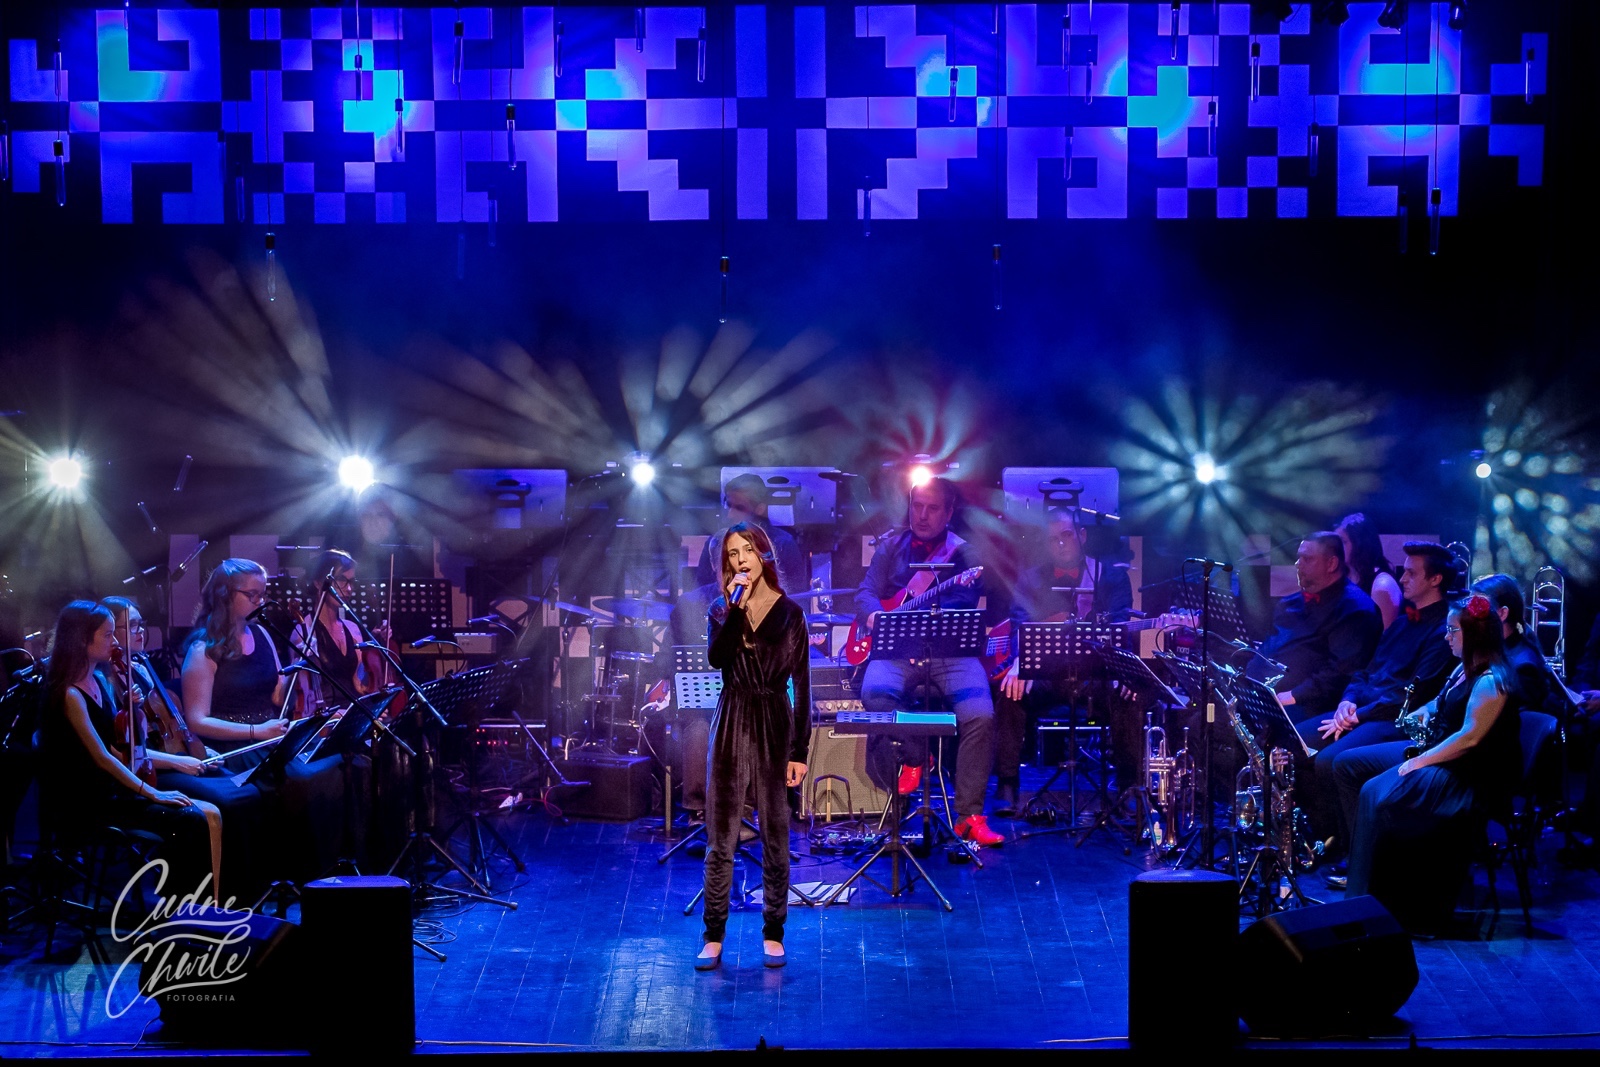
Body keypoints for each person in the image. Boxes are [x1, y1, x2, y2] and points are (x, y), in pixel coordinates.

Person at [1341, 594, 1524, 930]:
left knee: (1378, 794)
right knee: (1356, 774)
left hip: (1466, 776)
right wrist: (1422, 714)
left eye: (1453, 630)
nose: (1446, 636)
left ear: (1475, 635)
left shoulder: (1491, 680)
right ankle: (1365, 882)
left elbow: (1469, 739)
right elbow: (1440, 703)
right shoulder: (1462, 668)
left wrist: (1419, 761)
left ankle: (1373, 899)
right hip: (1444, 756)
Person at [39, 601, 222, 900]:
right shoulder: (70, 694)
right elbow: (102, 757)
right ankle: (181, 909)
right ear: (83, 640)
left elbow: (120, 745)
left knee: (192, 816)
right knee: (188, 820)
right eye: (107, 635)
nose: (115, 641)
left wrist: (132, 709)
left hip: (113, 792)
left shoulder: (97, 681)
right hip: (91, 803)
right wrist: (153, 793)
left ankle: (193, 904)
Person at [180, 559, 350, 881]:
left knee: (335, 765)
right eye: (252, 595)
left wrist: (299, 662)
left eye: (263, 593)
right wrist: (256, 731)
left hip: (269, 736)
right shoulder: (203, 649)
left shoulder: (262, 634)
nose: (260, 601)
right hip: (234, 746)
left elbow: (277, 698)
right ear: (225, 595)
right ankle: (299, 873)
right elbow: (197, 721)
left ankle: (326, 871)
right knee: (303, 779)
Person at [855, 478, 1003, 846]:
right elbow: (865, 593)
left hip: (950, 654)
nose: (921, 515)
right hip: (897, 652)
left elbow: (961, 605)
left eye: (932, 508)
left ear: (949, 512)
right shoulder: (890, 547)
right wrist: (874, 615)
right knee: (874, 694)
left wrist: (921, 623)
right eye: (916, 505)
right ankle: (917, 755)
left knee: (981, 715)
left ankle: (969, 816)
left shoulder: (965, 555)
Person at [1296, 542, 1462, 851]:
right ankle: (1319, 837)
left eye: (1411, 573)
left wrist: (1356, 716)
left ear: (1435, 579)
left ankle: (1353, 850)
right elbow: (1365, 672)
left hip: (1394, 720)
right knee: (1294, 741)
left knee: (1330, 761)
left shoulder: (1444, 630)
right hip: (1364, 710)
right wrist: (1347, 701)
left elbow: (1413, 694)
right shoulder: (1401, 623)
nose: (1402, 579)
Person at [696, 523, 810, 971]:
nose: (741, 559)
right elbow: (717, 659)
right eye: (732, 553)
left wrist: (800, 751)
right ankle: (713, 935)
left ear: (763, 554)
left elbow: (802, 686)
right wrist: (735, 609)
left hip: (774, 719)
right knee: (721, 835)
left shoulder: (791, 614)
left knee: (775, 832)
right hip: (732, 716)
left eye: (747, 550)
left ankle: (773, 931)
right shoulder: (721, 609)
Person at [101, 596, 266, 897]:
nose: (141, 631)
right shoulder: (106, 681)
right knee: (229, 801)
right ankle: (221, 894)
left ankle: (246, 889)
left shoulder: (139, 667)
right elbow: (125, 750)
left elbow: (172, 725)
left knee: (250, 791)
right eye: (132, 626)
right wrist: (179, 761)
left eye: (141, 624)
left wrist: (199, 749)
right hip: (150, 772)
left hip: (173, 757)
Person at [993, 507, 1134, 815]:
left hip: (1096, 677)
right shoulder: (1031, 579)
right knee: (1009, 690)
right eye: (1052, 539)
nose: (1059, 544)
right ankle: (1006, 783)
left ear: (1082, 536)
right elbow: (1019, 627)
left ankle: (1129, 788)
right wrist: (1020, 664)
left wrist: (1123, 671)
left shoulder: (1111, 577)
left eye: (1066, 536)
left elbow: (1121, 625)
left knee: (1129, 695)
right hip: (1047, 677)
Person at [1251, 533, 1383, 723]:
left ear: (1331, 564)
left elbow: (1340, 674)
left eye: (1307, 559)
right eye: (1299, 557)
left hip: (1311, 705)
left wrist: (1292, 695)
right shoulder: (1290, 603)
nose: (1298, 564)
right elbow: (1268, 648)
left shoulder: (1356, 610)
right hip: (1267, 694)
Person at [289, 550, 387, 709]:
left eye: (352, 582)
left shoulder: (352, 629)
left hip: (353, 709)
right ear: (318, 582)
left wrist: (375, 647)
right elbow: (303, 697)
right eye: (341, 580)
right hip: (327, 716)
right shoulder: (304, 631)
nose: (349, 589)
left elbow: (359, 685)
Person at [694, 474, 806, 594]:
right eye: (729, 505)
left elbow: (797, 598)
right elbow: (700, 596)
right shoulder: (715, 544)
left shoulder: (783, 544)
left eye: (739, 508)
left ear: (760, 509)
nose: (730, 514)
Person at [1337, 513, 1404, 631]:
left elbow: (1384, 636)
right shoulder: (1343, 577)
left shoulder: (1382, 586)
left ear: (1360, 544)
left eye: (1343, 542)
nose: (1336, 548)